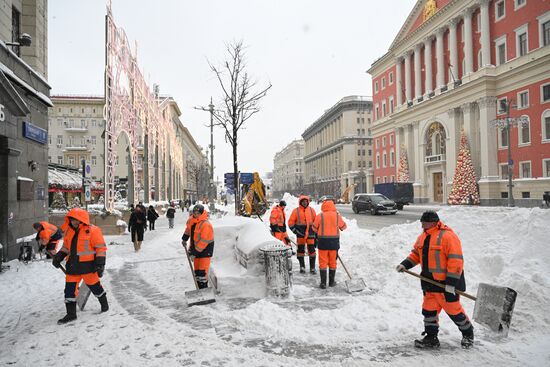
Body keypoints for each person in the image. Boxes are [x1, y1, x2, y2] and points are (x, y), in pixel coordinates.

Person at [396, 210, 474, 349]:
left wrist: (451, 283)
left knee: (454, 311)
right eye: (422, 223)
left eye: (425, 223)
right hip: (429, 283)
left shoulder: (448, 236)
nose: (422, 225)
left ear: (433, 222)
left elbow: (456, 261)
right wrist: (405, 264)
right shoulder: (422, 237)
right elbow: (416, 254)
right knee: (429, 312)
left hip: (446, 285)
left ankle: (468, 334)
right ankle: (431, 338)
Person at [52, 208, 108, 324]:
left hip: (88, 267)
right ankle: (71, 314)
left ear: (83, 220)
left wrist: (100, 264)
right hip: (72, 267)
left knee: (96, 288)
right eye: (72, 220)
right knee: (69, 291)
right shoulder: (68, 231)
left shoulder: (93, 230)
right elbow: (66, 247)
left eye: (77, 220)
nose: (75, 222)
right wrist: (59, 256)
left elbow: (100, 248)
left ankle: (104, 305)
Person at [312, 199, 347, 289]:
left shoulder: (320, 216)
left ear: (323, 206)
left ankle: (323, 283)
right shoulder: (336, 216)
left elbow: (314, 228)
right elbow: (344, 227)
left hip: (323, 242)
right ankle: (331, 282)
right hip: (334, 243)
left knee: (323, 262)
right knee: (332, 262)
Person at [181, 204, 214, 289]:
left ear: (202, 213)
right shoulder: (192, 221)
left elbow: (204, 241)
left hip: (205, 251)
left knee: (202, 273)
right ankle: (200, 289)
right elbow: (188, 230)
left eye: (198, 213)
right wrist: (184, 238)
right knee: (197, 272)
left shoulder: (206, 224)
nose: (196, 214)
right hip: (196, 250)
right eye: (194, 212)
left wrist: (194, 252)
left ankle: (204, 290)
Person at [288, 195, 317, 273]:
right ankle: (302, 266)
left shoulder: (312, 210)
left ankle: (312, 268)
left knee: (312, 250)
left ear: (308, 202)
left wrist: (316, 233)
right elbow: (290, 222)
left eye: (306, 201)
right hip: (300, 234)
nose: (305, 203)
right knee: (300, 251)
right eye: (303, 202)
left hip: (310, 234)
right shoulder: (296, 211)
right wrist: (295, 230)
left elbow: (316, 222)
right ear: (300, 202)